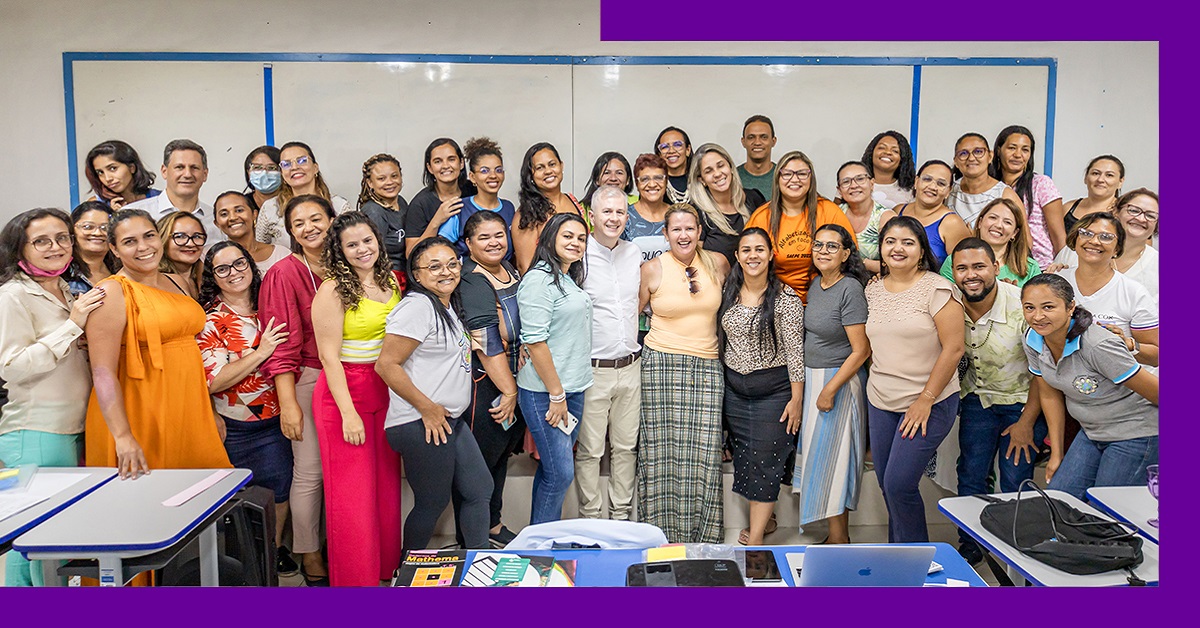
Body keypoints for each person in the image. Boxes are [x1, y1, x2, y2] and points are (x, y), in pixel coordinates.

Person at [0, 208, 105, 586]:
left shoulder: (66, 287)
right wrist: (72, 326)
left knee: (55, 541)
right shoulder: (12, 296)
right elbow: (11, 366)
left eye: (62, 238)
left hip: (74, 426)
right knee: (31, 544)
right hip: (36, 430)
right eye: (41, 241)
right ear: (20, 249)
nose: (56, 247)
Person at [84, 207, 231, 475]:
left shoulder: (178, 282)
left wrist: (210, 409)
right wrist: (123, 436)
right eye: (129, 241)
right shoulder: (111, 292)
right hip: (140, 410)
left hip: (189, 406)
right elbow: (102, 372)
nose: (143, 247)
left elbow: (194, 352)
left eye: (148, 236)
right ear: (114, 250)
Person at [377, 236, 492, 551]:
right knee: (432, 502)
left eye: (452, 263)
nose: (447, 271)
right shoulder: (417, 306)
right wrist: (427, 408)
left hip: (448, 419)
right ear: (417, 273)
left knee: (480, 489)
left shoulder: (445, 306)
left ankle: (475, 565)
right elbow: (386, 366)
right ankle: (405, 577)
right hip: (421, 420)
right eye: (435, 266)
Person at [310, 212, 403, 586]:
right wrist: (348, 415)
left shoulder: (390, 281)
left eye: (367, 240)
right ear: (340, 251)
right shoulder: (331, 290)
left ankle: (385, 572)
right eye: (352, 244)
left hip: (385, 390)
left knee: (386, 487)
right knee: (352, 497)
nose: (362, 249)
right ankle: (355, 585)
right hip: (343, 394)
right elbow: (328, 358)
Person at [196, 241, 296, 577]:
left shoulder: (271, 305)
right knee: (239, 500)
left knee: (279, 491)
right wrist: (262, 351)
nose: (234, 273)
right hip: (236, 429)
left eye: (239, 264)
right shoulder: (211, 321)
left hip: (276, 420)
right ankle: (245, 563)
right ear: (213, 277)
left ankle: (273, 550)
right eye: (222, 269)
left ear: (251, 266)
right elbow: (214, 381)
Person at [863, 216, 965, 543]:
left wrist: (925, 400)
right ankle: (898, 560)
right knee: (887, 484)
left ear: (921, 250)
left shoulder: (938, 288)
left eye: (908, 242)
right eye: (890, 241)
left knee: (899, 484)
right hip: (881, 400)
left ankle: (916, 566)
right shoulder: (873, 289)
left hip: (929, 402)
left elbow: (954, 349)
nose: (898, 248)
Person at [948, 238, 1048, 565]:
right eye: (962, 268)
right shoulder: (949, 307)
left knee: (1015, 479)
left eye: (978, 266)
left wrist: (1026, 424)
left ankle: (1020, 550)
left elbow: (1043, 375)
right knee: (971, 475)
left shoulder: (1022, 309)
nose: (970, 275)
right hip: (977, 401)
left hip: (1023, 404)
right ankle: (973, 544)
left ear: (996, 267)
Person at [637, 204, 730, 543]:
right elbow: (632, 317)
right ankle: (659, 536)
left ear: (699, 231)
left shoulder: (717, 263)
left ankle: (704, 537)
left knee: (705, 453)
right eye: (676, 229)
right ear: (665, 234)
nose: (683, 235)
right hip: (660, 364)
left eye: (689, 228)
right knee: (660, 453)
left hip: (707, 365)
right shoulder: (651, 269)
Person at [1021, 274, 1158, 500]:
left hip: (1136, 433)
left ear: (1070, 307)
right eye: (1029, 307)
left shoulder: (1097, 345)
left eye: (1048, 307)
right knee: (1057, 502)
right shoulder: (1033, 339)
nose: (1037, 316)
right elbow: (1049, 394)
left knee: (1106, 513)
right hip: (1092, 432)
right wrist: (1057, 453)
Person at [258, 194, 335, 586]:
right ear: (290, 232)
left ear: (332, 220)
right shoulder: (284, 273)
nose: (309, 227)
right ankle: (310, 553)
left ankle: (343, 544)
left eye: (316, 218)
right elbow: (282, 347)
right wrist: (289, 403)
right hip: (309, 378)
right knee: (310, 472)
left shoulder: (350, 263)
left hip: (356, 380)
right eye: (299, 223)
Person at [717, 228, 805, 546]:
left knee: (766, 460)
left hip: (774, 391)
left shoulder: (785, 298)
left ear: (771, 255)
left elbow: (796, 352)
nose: (753, 255)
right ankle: (767, 522)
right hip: (735, 393)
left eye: (759, 249)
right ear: (737, 257)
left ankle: (755, 542)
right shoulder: (728, 291)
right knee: (746, 458)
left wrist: (797, 400)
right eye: (746, 250)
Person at [794, 223, 871, 546]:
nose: (823, 251)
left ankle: (840, 540)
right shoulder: (816, 285)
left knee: (836, 464)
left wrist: (829, 389)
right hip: (815, 379)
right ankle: (835, 536)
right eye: (818, 245)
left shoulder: (849, 288)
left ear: (845, 253)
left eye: (831, 246)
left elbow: (861, 349)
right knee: (821, 461)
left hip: (839, 383)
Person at [516, 213, 593, 524]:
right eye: (568, 236)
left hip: (572, 389)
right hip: (546, 393)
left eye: (581, 238)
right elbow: (534, 342)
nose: (575, 243)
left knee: (552, 471)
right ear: (550, 239)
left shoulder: (566, 277)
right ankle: (540, 549)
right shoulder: (538, 280)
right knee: (561, 473)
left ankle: (540, 539)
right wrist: (556, 393)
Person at [454, 211, 525, 547]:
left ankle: (492, 526)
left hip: (514, 377)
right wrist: (509, 391)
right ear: (468, 244)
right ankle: (472, 538)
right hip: (487, 385)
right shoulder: (472, 281)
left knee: (498, 459)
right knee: (477, 468)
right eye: (483, 237)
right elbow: (485, 341)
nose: (494, 242)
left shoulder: (510, 269)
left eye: (499, 234)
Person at [577, 186, 642, 521]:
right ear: (592, 216)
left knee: (626, 449)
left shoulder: (635, 254)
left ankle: (620, 519)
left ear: (626, 217)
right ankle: (590, 520)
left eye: (619, 212)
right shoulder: (577, 255)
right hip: (592, 371)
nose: (614, 218)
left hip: (631, 366)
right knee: (590, 451)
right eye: (607, 212)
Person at [745, 150, 856, 302]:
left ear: (811, 178)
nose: (795, 179)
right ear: (777, 178)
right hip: (776, 299)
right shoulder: (762, 216)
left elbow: (851, 259)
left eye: (802, 173)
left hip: (826, 297)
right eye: (787, 174)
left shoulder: (829, 211)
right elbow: (747, 263)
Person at [1054, 213, 1158, 368]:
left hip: (1116, 387)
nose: (1094, 241)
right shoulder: (1055, 282)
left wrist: (1127, 344)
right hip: (1060, 381)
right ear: (1075, 240)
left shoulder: (1133, 293)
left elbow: (1156, 356)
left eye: (1106, 237)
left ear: (1117, 249)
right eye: (1086, 233)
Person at [1053, 188, 1158, 302]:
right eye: (1133, 210)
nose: (1141, 218)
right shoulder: (1080, 248)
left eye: (1151, 216)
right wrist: (1055, 273)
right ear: (1116, 212)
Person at [990, 126, 1065, 265]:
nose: (1018, 155)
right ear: (999, 150)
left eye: (1025, 150)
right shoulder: (989, 187)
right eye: (1012, 148)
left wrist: (1063, 268)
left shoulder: (1041, 184)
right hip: (998, 265)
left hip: (1040, 266)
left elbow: (1059, 235)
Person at [256, 141, 352, 246]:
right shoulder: (270, 208)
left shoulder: (340, 206)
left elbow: (352, 242)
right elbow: (261, 247)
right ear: (282, 173)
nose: (294, 167)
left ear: (315, 168)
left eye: (302, 160)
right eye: (286, 164)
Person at [126, 139, 222, 243]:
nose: (187, 174)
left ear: (205, 174)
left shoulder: (217, 220)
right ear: (164, 171)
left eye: (194, 167)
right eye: (179, 167)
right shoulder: (133, 215)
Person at [512, 142, 584, 274]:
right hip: (547, 289)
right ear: (531, 175)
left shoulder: (572, 200)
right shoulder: (527, 213)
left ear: (561, 165)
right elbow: (525, 267)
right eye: (540, 168)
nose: (548, 171)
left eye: (552, 164)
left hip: (579, 284)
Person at [691, 142, 767, 266]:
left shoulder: (754, 199)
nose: (717, 173)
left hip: (755, 282)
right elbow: (695, 263)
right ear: (702, 180)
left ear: (730, 167)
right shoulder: (696, 213)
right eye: (708, 171)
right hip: (717, 283)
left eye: (721, 166)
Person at [439, 137, 515, 256]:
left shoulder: (509, 208)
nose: (493, 175)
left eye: (498, 170)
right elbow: (441, 249)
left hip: (504, 272)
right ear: (472, 177)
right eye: (485, 171)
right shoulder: (459, 208)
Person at [939, 198, 1041, 286]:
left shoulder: (1030, 268)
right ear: (979, 223)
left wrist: (1012, 294)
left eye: (1007, 222)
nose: (998, 225)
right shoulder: (954, 260)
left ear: (1015, 233)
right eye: (993, 218)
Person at [403, 138, 475, 254]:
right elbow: (410, 254)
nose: (445, 166)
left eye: (451, 159)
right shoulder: (420, 204)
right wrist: (436, 221)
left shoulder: (474, 189)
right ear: (430, 168)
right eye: (438, 161)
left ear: (461, 163)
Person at [894, 160, 972, 267]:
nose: (932, 187)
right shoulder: (897, 211)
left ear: (948, 191)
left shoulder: (952, 223)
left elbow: (964, 266)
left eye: (941, 183)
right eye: (927, 179)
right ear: (916, 182)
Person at [947, 132, 1025, 228]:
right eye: (963, 153)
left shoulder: (1005, 194)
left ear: (990, 156)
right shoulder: (948, 192)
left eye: (978, 152)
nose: (971, 158)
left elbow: (1024, 239)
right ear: (956, 161)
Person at [835, 160, 896, 275]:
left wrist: (863, 262)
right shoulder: (834, 213)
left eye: (860, 179)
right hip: (841, 282)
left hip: (878, 283)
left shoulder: (886, 218)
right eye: (846, 181)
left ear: (872, 184)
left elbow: (898, 264)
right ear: (839, 190)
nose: (853, 185)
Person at [357, 153, 411, 277]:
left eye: (394, 176)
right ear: (370, 183)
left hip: (407, 272)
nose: (390, 182)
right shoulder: (374, 212)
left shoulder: (401, 202)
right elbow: (371, 256)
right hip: (389, 277)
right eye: (381, 179)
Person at [213, 191, 291, 275]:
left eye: (239, 210)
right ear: (217, 223)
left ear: (254, 214)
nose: (233, 217)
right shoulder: (214, 260)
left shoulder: (281, 254)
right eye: (224, 214)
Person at [83, 140, 159, 210]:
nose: (107, 178)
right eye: (100, 172)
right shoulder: (97, 205)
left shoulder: (158, 198)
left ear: (132, 168)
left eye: (113, 168)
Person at [622, 153, 670, 263]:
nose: (652, 184)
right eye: (645, 179)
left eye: (658, 178)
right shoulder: (625, 217)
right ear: (637, 184)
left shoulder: (677, 216)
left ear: (666, 181)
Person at [65, 201, 119, 296]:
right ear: (72, 230)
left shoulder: (123, 269)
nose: (97, 233)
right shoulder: (62, 274)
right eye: (88, 227)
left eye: (105, 228)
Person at [1062, 155, 1125, 234]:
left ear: (1120, 182)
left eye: (1109, 175)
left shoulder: (1124, 214)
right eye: (1095, 173)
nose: (1100, 179)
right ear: (1085, 178)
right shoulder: (1068, 208)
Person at [155, 211, 206, 300]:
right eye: (180, 236)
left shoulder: (208, 276)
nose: (190, 244)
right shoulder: (155, 281)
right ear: (163, 239)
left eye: (197, 236)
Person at [861, 131, 916, 209]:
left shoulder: (910, 191)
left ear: (902, 159)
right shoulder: (854, 184)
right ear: (871, 153)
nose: (887, 152)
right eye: (882, 148)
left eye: (895, 151)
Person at [737, 115, 778, 199]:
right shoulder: (732, 178)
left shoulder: (784, 177)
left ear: (773, 141)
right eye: (751, 137)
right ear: (743, 142)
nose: (757, 142)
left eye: (764, 137)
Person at [654, 126, 693, 204]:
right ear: (659, 155)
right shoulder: (654, 184)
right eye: (664, 147)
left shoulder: (701, 180)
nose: (671, 151)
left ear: (688, 150)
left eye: (677, 145)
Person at [244, 145, 283, 211]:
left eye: (272, 168)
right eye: (257, 167)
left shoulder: (293, 202)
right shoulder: (242, 204)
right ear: (248, 172)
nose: (264, 173)